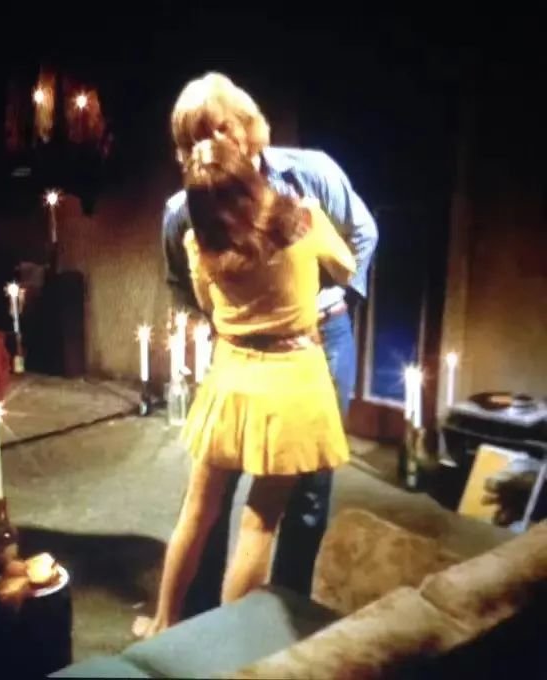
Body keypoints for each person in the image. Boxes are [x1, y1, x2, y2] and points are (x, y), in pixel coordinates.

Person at [161, 73, 379, 614]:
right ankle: (196, 622)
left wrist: (323, 298)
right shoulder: (184, 209)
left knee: (306, 496)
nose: (211, 144)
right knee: (214, 500)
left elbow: (363, 235)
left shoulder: (311, 174)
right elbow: (183, 283)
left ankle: (279, 614)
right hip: (239, 352)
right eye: (194, 138)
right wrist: (242, 317)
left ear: (246, 123)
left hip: (319, 338)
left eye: (219, 128)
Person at [137, 136, 357, 638]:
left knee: (197, 511)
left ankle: (164, 625)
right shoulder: (302, 218)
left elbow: (206, 303)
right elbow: (345, 268)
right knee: (259, 523)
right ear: (248, 176)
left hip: (231, 379)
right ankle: (227, 647)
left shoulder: (199, 244)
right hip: (293, 382)